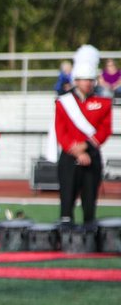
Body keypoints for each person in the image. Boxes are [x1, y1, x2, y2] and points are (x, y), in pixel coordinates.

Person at [55, 45, 112, 228]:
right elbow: (60, 131)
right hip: (69, 156)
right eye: (83, 79)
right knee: (66, 205)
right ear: (76, 80)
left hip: (92, 155)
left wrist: (86, 147)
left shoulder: (103, 103)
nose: (88, 83)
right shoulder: (63, 103)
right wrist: (76, 151)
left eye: (90, 79)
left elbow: (105, 129)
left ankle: (89, 238)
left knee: (89, 204)